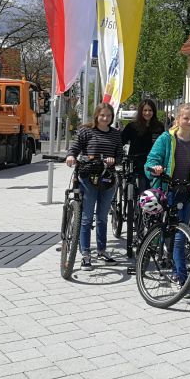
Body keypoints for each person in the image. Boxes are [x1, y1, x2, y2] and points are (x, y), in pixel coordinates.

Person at [145, 103, 190, 287]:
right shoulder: (166, 138)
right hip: (168, 190)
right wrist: (156, 168)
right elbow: (151, 160)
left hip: (187, 191)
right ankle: (160, 256)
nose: (189, 121)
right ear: (178, 119)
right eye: (185, 118)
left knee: (180, 235)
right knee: (166, 231)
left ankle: (180, 275)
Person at [66, 103, 123, 270]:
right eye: (102, 115)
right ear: (97, 115)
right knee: (86, 217)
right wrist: (71, 156)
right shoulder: (86, 131)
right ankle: (85, 254)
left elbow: (120, 154)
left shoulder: (115, 134)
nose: (105, 118)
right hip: (88, 177)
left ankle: (102, 250)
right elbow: (75, 148)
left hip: (107, 178)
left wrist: (114, 160)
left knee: (102, 217)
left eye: (108, 116)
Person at [120, 99, 165, 193]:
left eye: (150, 110)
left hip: (153, 161)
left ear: (154, 111)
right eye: (145, 110)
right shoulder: (132, 126)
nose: (147, 113)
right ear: (140, 111)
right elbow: (121, 141)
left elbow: (163, 145)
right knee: (142, 187)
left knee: (153, 189)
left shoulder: (159, 126)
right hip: (136, 161)